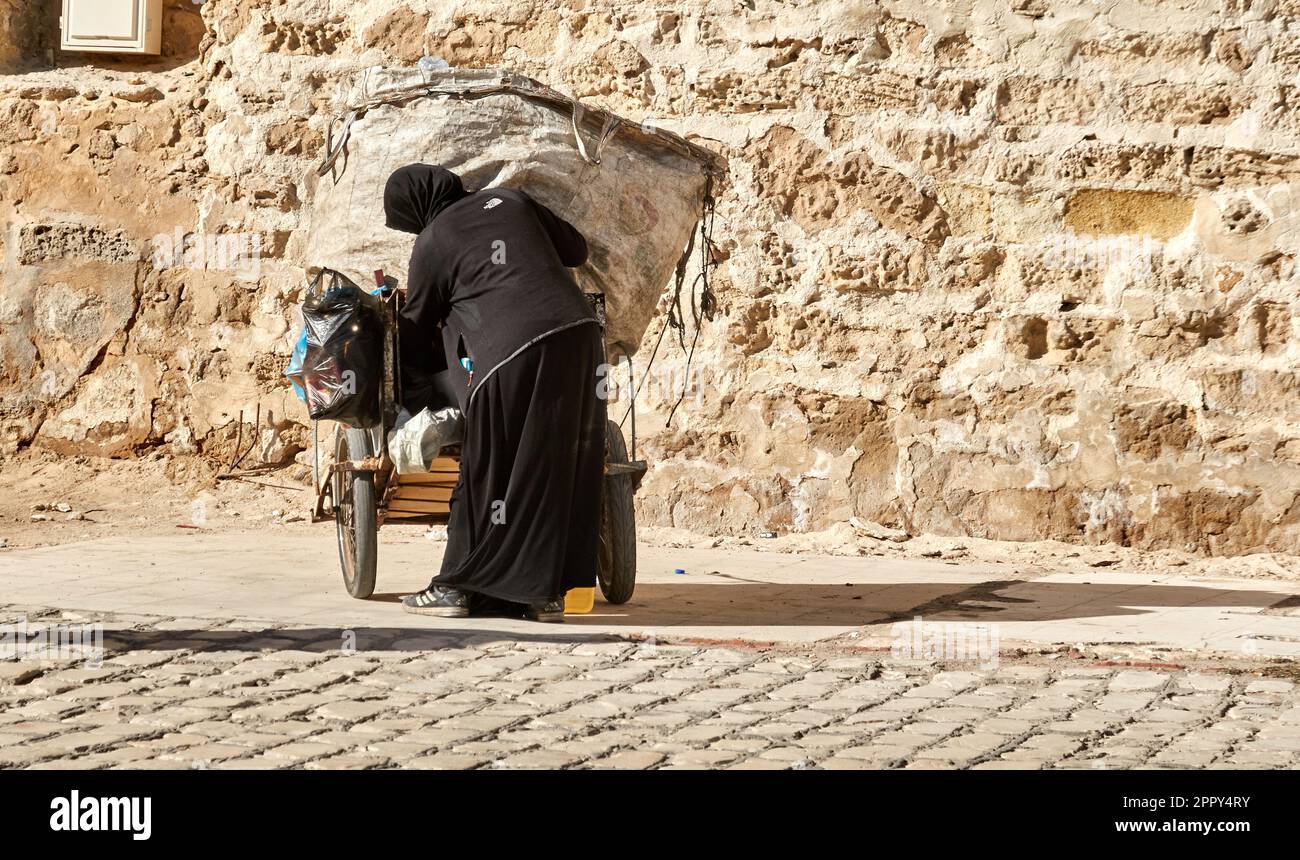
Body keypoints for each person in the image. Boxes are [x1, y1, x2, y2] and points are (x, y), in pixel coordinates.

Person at [384, 164, 604, 623]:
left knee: (486, 466)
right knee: (550, 465)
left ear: (418, 209)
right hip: (580, 336)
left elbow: (415, 326)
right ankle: (541, 594)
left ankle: (456, 588)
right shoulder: (512, 199)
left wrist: (417, 391)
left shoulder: (433, 241)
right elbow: (576, 250)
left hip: (509, 351)